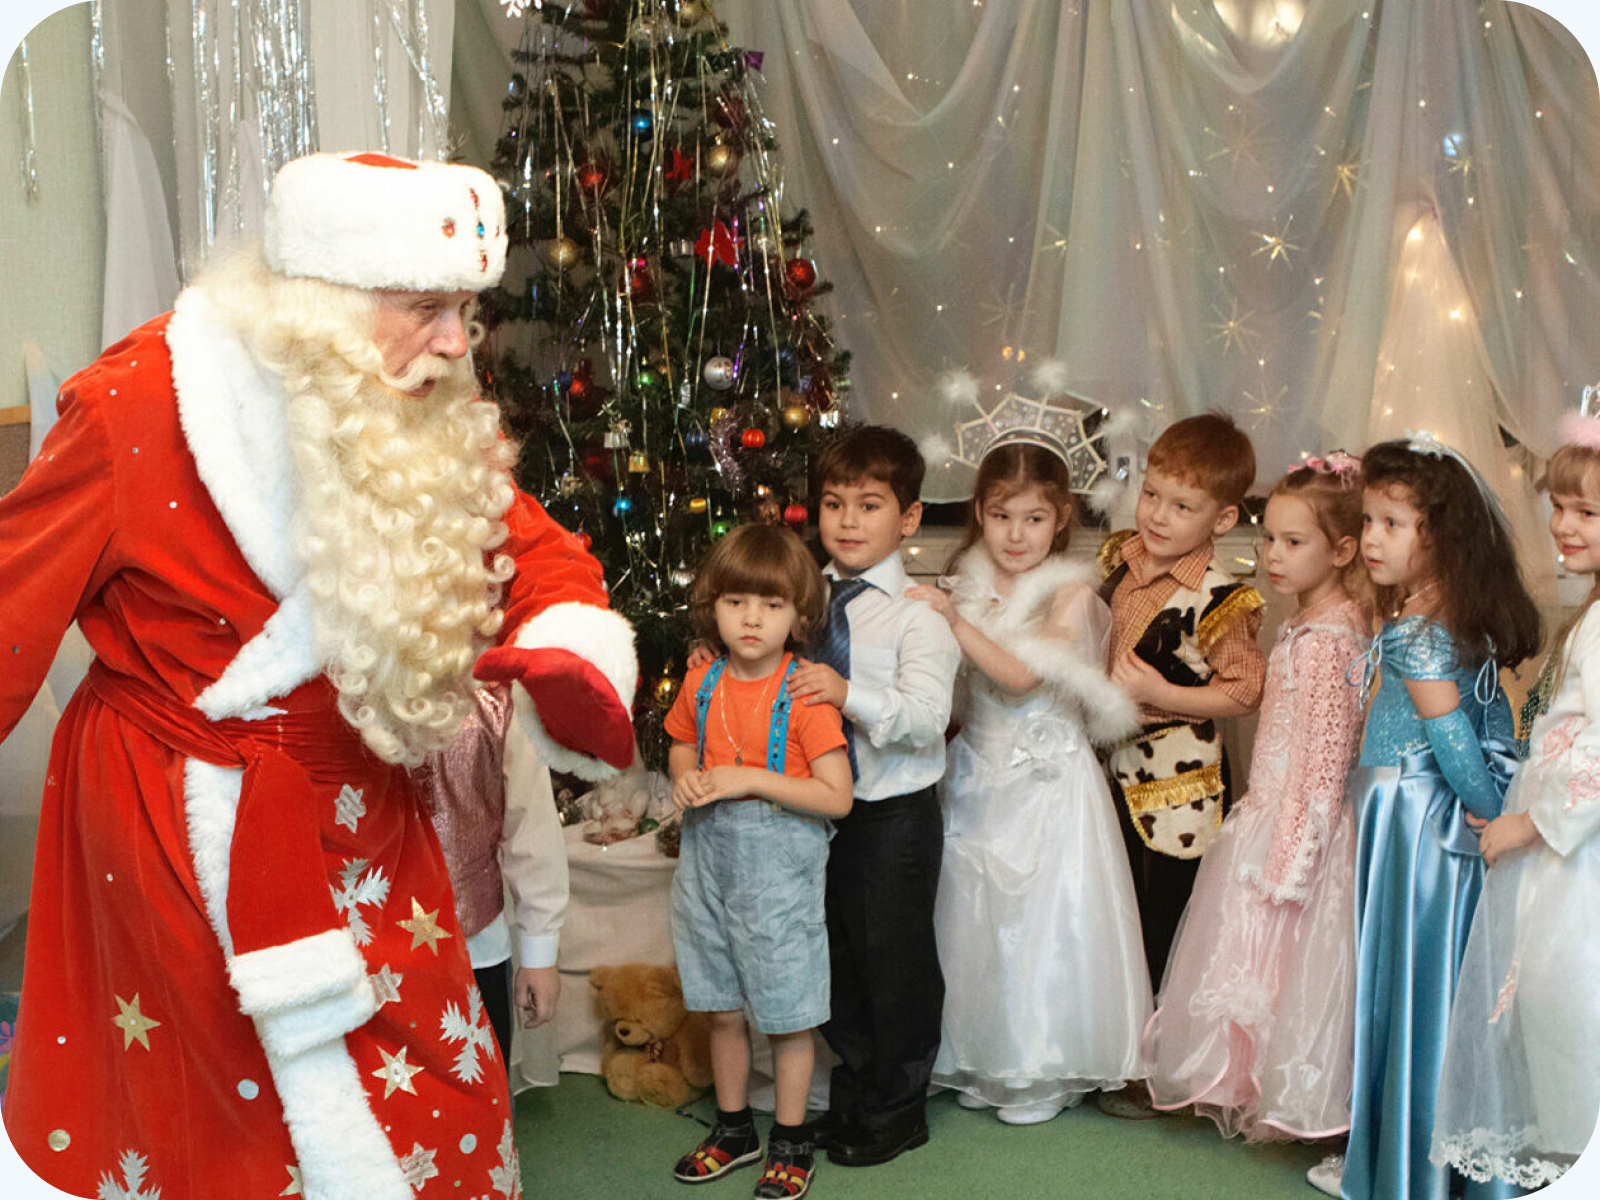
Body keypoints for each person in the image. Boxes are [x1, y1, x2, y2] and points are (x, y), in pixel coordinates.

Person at [0, 151, 637, 1200]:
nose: (456, 341)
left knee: (438, 1089)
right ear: (321, 303)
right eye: (426, 305)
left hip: (362, 799)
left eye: (464, 309)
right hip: (170, 813)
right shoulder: (132, 404)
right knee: (212, 1117)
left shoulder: (420, 402)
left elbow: (526, 547)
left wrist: (568, 646)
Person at [909, 436, 1150, 1126]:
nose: (1016, 535)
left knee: (1045, 919)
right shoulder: (968, 580)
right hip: (979, 771)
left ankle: (1039, 1062)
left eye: (1034, 519)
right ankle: (974, 1049)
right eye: (1001, 516)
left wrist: (952, 617)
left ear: (1062, 518)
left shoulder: (1070, 593)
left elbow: (1017, 678)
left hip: (1047, 781)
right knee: (971, 911)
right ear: (979, 514)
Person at [1142, 455, 1368, 1144]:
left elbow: (1325, 770)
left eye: (1293, 542)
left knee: (1282, 964)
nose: (1272, 555)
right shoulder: (1306, 623)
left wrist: (1292, 856)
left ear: (1343, 549)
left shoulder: (1333, 639)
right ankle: (1241, 1076)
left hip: (1298, 829)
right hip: (1268, 812)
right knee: (1247, 959)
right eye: (1268, 538)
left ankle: (1283, 1090)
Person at [1339, 436, 1538, 1200]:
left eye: (1393, 523)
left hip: (1416, 818)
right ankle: (1444, 1160)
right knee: (1445, 980)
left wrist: (1495, 821)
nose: (1371, 540)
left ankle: (1411, 1167)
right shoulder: (1450, 614)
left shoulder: (1419, 632)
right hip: (1427, 811)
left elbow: (1455, 743)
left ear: (1440, 535)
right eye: (1368, 521)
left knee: (1416, 979)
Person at [1430, 411, 1600, 1191]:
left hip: (1576, 853)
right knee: (1546, 1013)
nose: (1562, 525)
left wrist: (1531, 821)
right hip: (1560, 852)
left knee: (1571, 1010)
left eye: (1587, 513)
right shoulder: (1589, 612)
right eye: (1559, 507)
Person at [664, 524, 852, 1200]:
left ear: (798, 617)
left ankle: (792, 1140)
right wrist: (686, 777)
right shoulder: (703, 680)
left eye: (771, 605)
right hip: (706, 870)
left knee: (787, 1013)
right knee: (720, 1006)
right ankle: (734, 1128)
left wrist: (749, 779)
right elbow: (682, 746)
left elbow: (838, 797)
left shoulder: (803, 696)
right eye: (736, 601)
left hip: (778, 876)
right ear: (712, 605)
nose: (751, 618)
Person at [794, 426, 962, 1167]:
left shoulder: (921, 615)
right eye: (834, 504)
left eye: (869, 504)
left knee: (893, 964)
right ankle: (857, 1095)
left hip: (893, 814)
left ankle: (900, 1109)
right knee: (839, 958)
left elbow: (926, 720)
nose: (849, 521)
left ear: (911, 518)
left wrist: (847, 691)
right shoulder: (805, 601)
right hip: (819, 808)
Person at [1096, 411, 1267, 1119]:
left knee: (1169, 917)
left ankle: (1163, 1067)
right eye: (1153, 494)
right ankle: (1117, 1048)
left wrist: (1161, 693)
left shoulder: (1222, 597)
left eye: (1184, 506)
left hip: (1179, 783)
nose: (1160, 515)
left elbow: (1243, 688)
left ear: (1223, 517)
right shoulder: (1122, 561)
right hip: (1110, 766)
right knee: (1120, 909)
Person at [417, 683, 569, 1075]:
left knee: (482, 1098)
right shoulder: (343, 687)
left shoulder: (499, 700)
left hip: (475, 943)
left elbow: (529, 823)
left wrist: (540, 954)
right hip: (364, 949)